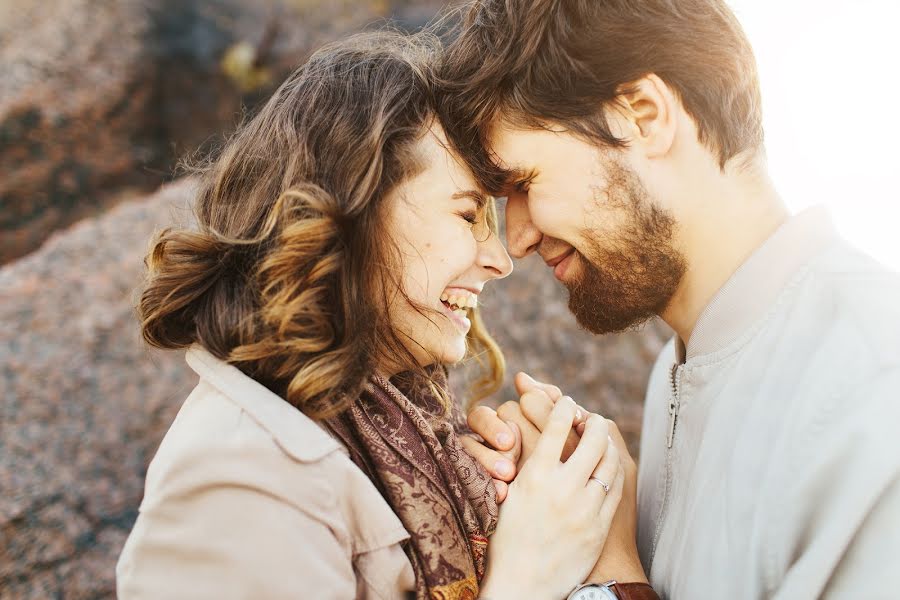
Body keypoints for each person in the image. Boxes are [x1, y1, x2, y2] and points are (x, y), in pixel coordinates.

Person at [115, 30, 630, 600]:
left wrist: (519, 510)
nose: (500, 260)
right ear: (355, 211)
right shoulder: (237, 482)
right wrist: (526, 574)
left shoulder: (410, 437)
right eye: (467, 215)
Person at [439, 0, 900, 598]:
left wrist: (612, 577)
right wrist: (580, 518)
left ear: (644, 115)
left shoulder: (874, 390)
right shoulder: (676, 374)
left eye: (525, 184)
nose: (518, 239)